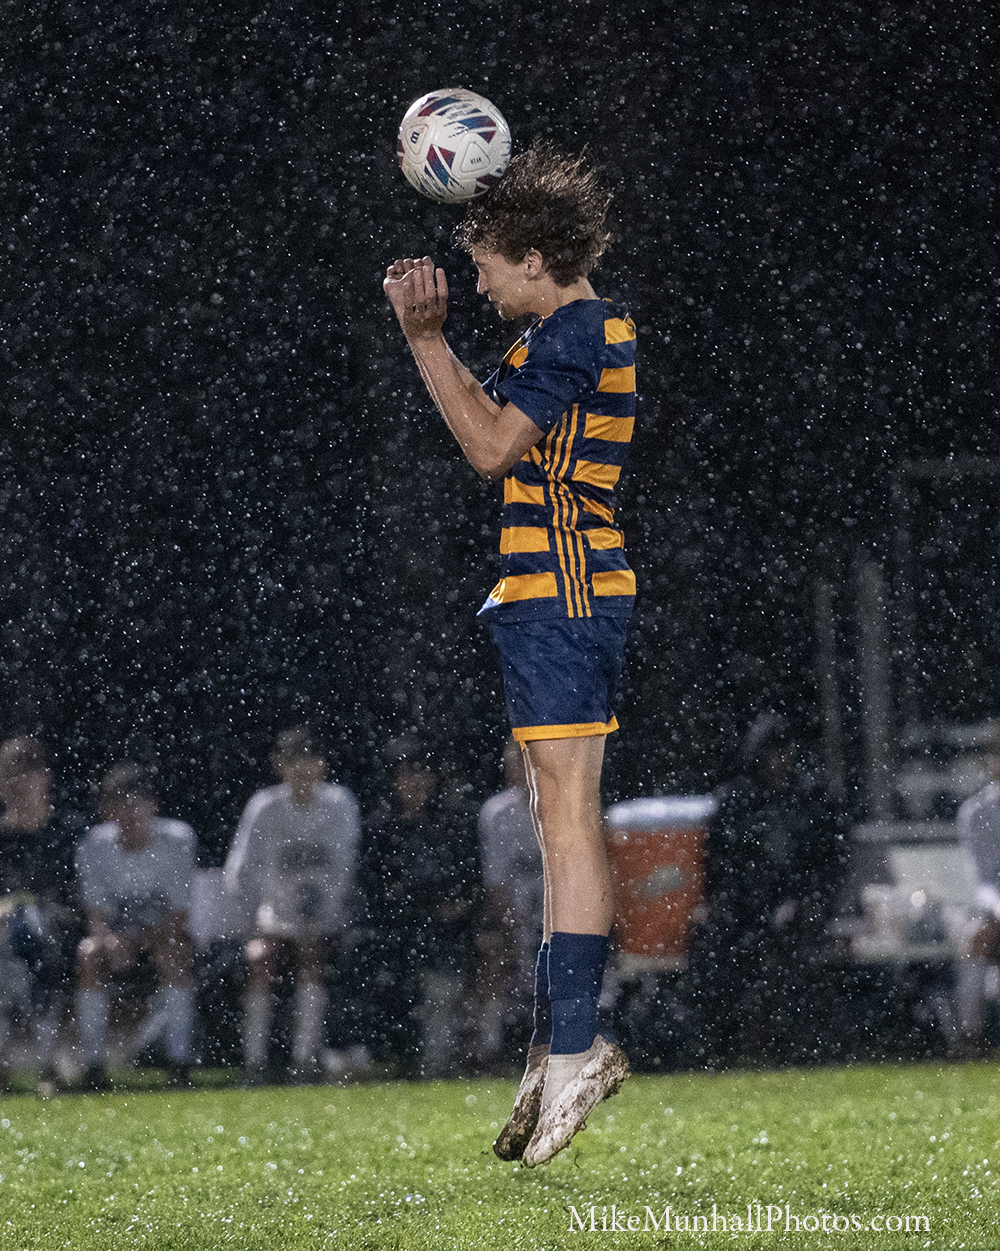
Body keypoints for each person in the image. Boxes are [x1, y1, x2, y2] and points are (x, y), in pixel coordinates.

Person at [383, 140, 634, 1164]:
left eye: (487, 264)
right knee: (551, 824)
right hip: (549, 596)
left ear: (535, 258)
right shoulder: (565, 329)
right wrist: (433, 342)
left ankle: (576, 1050)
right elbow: (485, 422)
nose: (478, 283)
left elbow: (489, 446)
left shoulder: (576, 331)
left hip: (566, 592)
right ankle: (553, 1044)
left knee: (568, 825)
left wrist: (423, 338)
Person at [693, 713, 848, 1065]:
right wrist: (726, 904)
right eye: (771, 751)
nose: (780, 760)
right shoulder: (734, 802)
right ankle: (720, 1043)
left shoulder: (812, 799)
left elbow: (829, 862)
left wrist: (811, 900)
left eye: (784, 750)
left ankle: (780, 1040)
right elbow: (720, 865)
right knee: (712, 945)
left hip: (796, 909)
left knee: (782, 945)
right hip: (744, 909)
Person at [224, 727, 362, 1083]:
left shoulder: (340, 804)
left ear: (322, 765)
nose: (301, 768)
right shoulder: (264, 807)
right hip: (272, 920)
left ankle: (304, 1060)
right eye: (293, 760)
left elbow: (345, 871)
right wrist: (253, 927)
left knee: (312, 955)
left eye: (309, 759)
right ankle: (254, 1063)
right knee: (260, 960)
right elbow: (240, 873)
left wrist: (320, 917)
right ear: (279, 765)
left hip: (327, 921)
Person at [360, 740, 479, 1078]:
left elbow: (469, 885)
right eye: (407, 775)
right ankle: (387, 1056)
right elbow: (377, 892)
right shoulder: (379, 829)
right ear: (394, 780)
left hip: (445, 932)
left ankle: (438, 1061)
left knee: (443, 977)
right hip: (394, 932)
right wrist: (423, 910)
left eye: (424, 774)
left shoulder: (453, 826)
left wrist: (451, 909)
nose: (416, 783)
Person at [74, 761, 197, 1089]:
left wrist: (139, 940)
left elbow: (178, 914)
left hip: (162, 936)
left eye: (136, 805)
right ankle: (94, 1066)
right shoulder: (94, 845)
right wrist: (110, 940)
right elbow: (95, 913)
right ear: (107, 811)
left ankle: (179, 1063)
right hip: (116, 939)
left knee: (173, 955)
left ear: (153, 807)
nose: (129, 815)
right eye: (119, 805)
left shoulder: (178, 840)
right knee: (88, 955)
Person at [0, 734, 83, 1094]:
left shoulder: (69, 832)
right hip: (5, 935)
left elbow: (79, 899)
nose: (17, 783)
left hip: (60, 930)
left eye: (27, 772)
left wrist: (31, 908)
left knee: (35, 936)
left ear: (46, 778)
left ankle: (47, 1064)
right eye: (9, 773)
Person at [474, 736, 544, 1068]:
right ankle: (490, 1047)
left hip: (560, 914)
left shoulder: (564, 803)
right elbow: (495, 881)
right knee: (493, 954)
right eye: (511, 763)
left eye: (523, 761)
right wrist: (513, 922)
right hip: (514, 917)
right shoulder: (496, 812)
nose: (516, 769)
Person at [955, 721, 1000, 1052]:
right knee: (975, 937)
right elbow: (983, 878)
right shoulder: (977, 812)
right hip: (993, 910)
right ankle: (971, 1037)